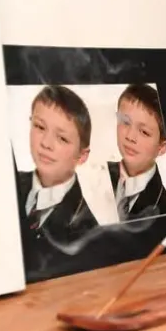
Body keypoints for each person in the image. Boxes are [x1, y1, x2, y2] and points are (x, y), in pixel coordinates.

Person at [16, 84, 99, 265]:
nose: (46, 143)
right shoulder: (7, 182)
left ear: (82, 156)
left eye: (62, 138)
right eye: (40, 127)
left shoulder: (87, 232)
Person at [106, 83, 166, 220]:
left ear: (161, 147)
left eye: (144, 132)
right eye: (125, 122)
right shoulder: (96, 175)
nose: (130, 137)